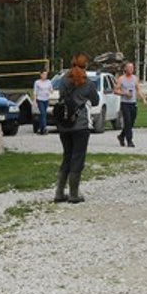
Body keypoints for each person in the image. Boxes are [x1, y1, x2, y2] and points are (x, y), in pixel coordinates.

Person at [53, 54, 100, 204]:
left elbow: (61, 97)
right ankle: (74, 194)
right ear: (85, 66)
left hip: (64, 125)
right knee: (78, 157)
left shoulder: (63, 81)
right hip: (80, 125)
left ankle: (59, 192)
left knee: (67, 155)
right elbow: (95, 100)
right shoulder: (87, 83)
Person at [116, 61, 139, 148]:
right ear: (125, 69)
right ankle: (129, 141)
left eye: (132, 68)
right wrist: (124, 93)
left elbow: (138, 89)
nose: (131, 69)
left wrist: (144, 99)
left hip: (133, 103)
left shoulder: (135, 78)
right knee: (127, 121)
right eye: (129, 68)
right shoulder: (121, 79)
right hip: (125, 103)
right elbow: (115, 90)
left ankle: (121, 136)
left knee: (131, 123)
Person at [33, 68, 54, 134]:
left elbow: (51, 90)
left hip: (46, 99)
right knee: (43, 113)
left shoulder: (49, 82)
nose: (45, 76)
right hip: (40, 99)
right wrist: (34, 100)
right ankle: (44, 128)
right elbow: (35, 92)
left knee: (43, 114)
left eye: (46, 74)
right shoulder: (37, 82)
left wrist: (51, 91)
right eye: (44, 74)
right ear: (41, 75)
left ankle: (40, 128)